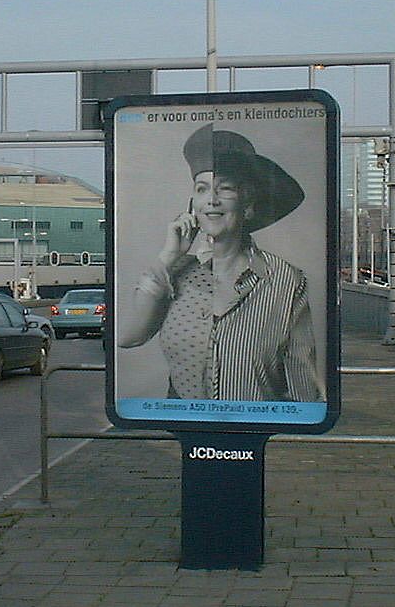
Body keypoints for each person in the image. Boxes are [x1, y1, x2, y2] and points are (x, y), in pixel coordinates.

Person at [118, 124, 323, 403]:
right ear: (193, 205)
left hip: (253, 427)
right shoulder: (172, 273)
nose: (211, 200)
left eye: (225, 188)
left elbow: (302, 373)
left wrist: (300, 433)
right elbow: (128, 336)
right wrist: (168, 256)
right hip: (184, 426)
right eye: (202, 189)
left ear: (247, 202)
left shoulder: (286, 279)